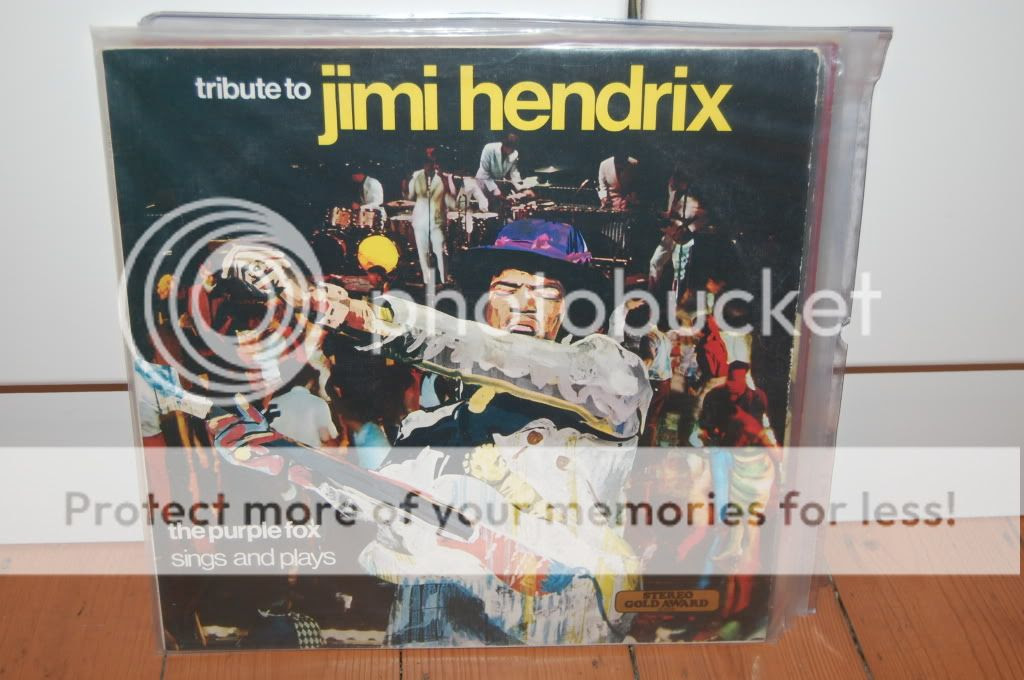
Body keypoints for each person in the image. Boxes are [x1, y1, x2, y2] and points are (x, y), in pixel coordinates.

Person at [266, 364, 339, 450]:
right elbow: (326, 438)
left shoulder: (274, 402)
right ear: (310, 381)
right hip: (309, 456)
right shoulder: (319, 403)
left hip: (277, 454)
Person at [408, 154, 447, 287]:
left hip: (436, 219)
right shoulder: (416, 176)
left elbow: (445, 196)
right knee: (422, 252)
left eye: (432, 164)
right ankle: (427, 281)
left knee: (439, 250)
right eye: (427, 164)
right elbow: (410, 195)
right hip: (420, 218)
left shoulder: (440, 178)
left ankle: (443, 280)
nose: (430, 167)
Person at [475, 133, 521, 200]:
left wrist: (521, 188)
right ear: (503, 144)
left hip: (497, 184)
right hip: (483, 183)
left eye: (513, 149)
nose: (511, 151)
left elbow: (514, 173)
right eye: (510, 148)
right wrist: (494, 189)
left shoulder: (514, 153)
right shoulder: (489, 148)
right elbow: (484, 172)